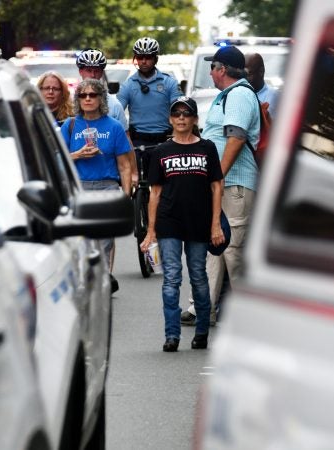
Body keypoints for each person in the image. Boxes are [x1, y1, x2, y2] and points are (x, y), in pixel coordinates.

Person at [181, 45, 260, 326]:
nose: (211, 72)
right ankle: (204, 306)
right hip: (225, 184)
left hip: (233, 184)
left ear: (222, 69)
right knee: (216, 246)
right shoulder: (228, 95)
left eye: (212, 67)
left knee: (233, 250)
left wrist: (218, 174)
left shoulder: (238, 95)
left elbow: (236, 138)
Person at [140, 97, 224, 352]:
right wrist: (150, 231)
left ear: (195, 119)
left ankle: (201, 333)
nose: (181, 118)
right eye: (176, 114)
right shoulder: (161, 151)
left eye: (186, 114)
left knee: (198, 276)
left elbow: (216, 186)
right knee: (172, 278)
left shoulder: (207, 148)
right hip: (169, 222)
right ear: (170, 119)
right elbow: (154, 193)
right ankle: (172, 335)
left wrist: (216, 225)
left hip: (199, 222)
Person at [60, 78, 132, 293]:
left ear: (101, 98)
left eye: (93, 95)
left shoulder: (114, 126)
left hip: (107, 187)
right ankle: (83, 282)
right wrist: (77, 154)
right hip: (79, 187)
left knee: (104, 243)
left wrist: (125, 196)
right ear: (78, 100)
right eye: (83, 95)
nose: (88, 99)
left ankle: (99, 286)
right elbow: (58, 158)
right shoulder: (70, 125)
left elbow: (125, 165)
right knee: (79, 241)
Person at [77, 48, 137, 291]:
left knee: (105, 239)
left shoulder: (112, 105)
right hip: (80, 180)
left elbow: (125, 141)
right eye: (87, 69)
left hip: (107, 179)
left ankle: (103, 279)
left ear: (102, 72)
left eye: (96, 70)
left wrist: (132, 174)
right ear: (80, 71)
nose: (92, 73)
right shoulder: (73, 106)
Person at [117, 37, 182, 177]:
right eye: (140, 57)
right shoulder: (128, 85)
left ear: (155, 59)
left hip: (165, 139)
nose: (144, 61)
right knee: (136, 181)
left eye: (148, 57)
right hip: (138, 142)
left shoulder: (169, 83)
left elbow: (179, 110)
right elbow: (116, 112)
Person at [245, 53, 279, 119]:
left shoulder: (276, 98)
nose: (243, 79)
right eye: (242, 74)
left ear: (261, 71)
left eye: (248, 74)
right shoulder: (236, 96)